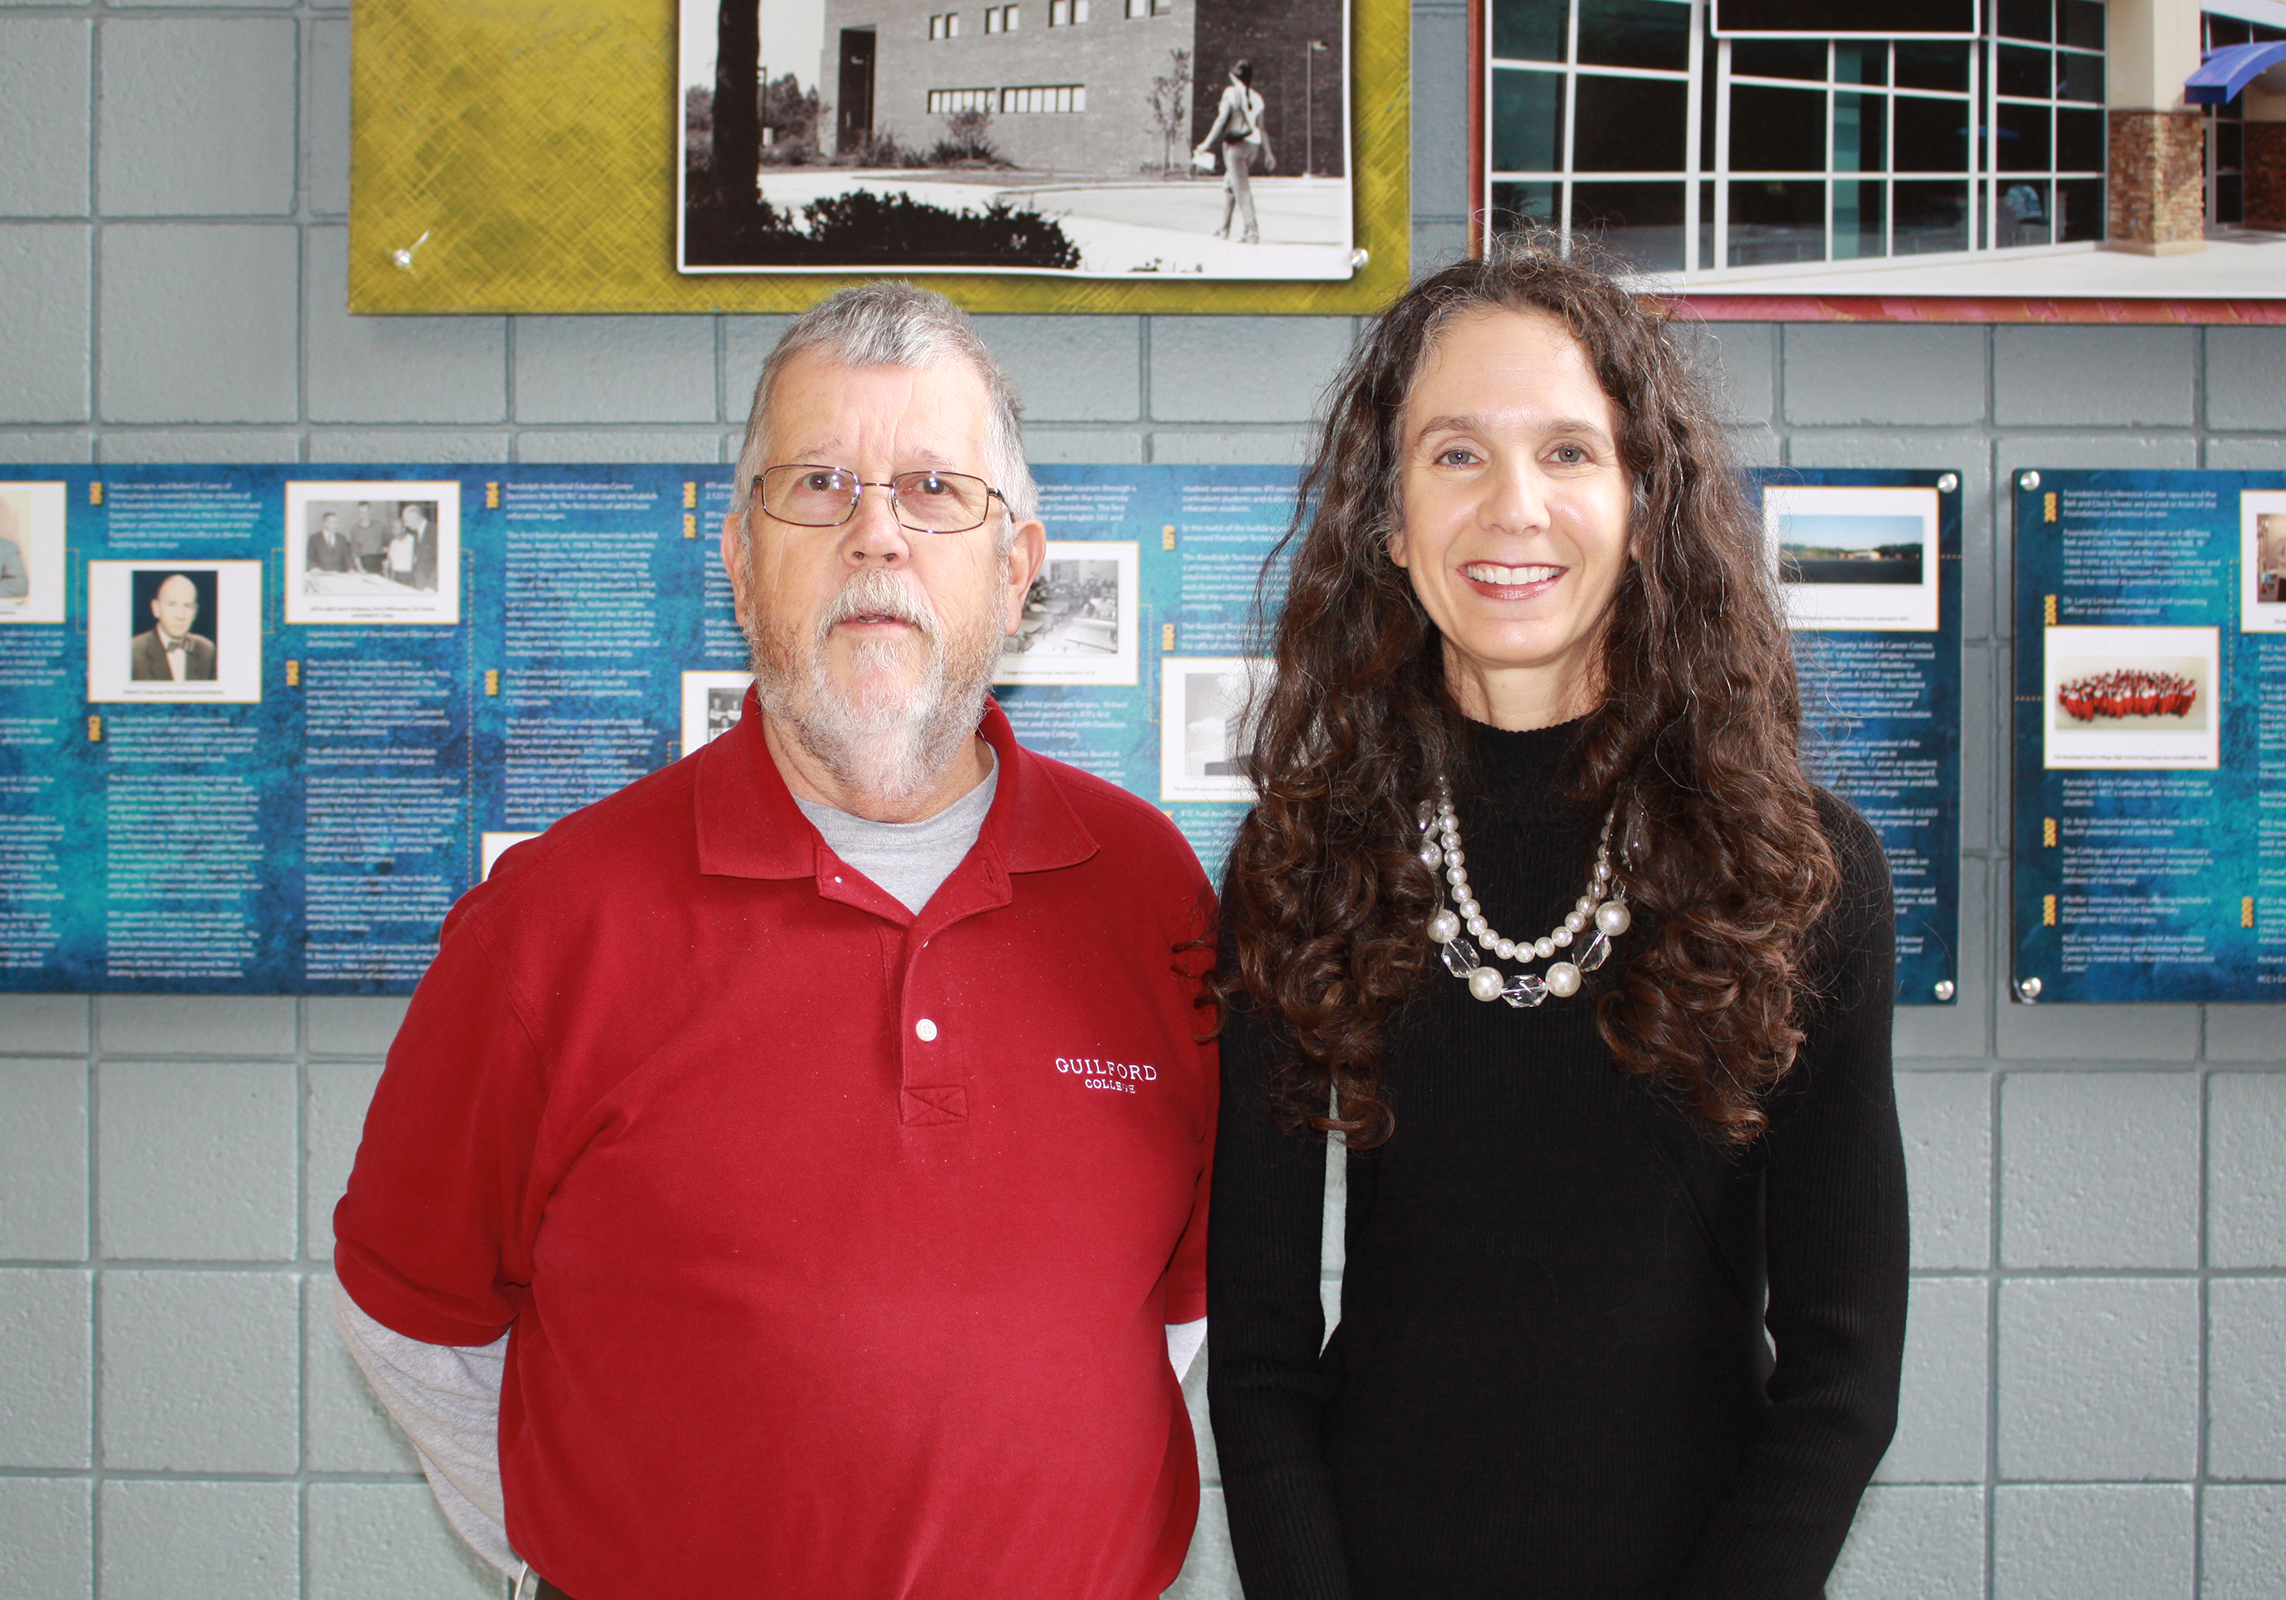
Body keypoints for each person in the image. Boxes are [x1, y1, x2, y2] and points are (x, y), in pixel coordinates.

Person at [333, 284, 1219, 1600]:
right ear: (742, 558)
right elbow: (412, 1322)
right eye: (819, 484)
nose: (877, 535)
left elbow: (1171, 1306)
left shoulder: (1147, 892)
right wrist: (580, 1554)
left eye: (933, 488)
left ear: (1019, 567)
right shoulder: (550, 924)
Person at [1207, 239, 1906, 1600]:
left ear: (1647, 504)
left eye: (1571, 453)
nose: (1513, 507)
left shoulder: (1800, 872)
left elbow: (1843, 1372)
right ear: (1390, 520)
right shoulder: (1302, 864)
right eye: (1456, 455)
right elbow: (1263, 1355)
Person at [1199, 59, 1274, 245]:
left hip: (1236, 146)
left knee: (1242, 189)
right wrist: (1269, 153)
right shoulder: (1257, 97)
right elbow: (1262, 128)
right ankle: (1223, 227)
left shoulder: (1230, 93)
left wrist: (1206, 143)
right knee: (1230, 185)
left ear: (1234, 75)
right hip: (1253, 147)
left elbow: (1221, 119)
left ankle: (1252, 232)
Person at [129, 573, 217, 681]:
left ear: (195, 612)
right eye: (172, 605)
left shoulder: (207, 651)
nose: (180, 616)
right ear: (156, 608)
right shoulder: (132, 651)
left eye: (187, 606)